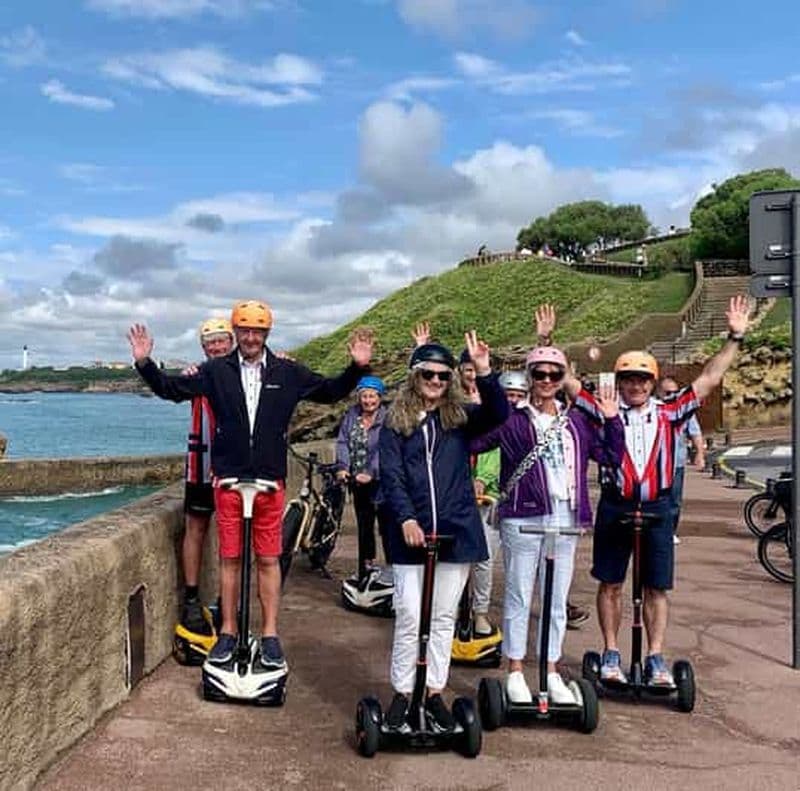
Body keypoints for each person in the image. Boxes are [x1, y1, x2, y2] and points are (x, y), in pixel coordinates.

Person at [127, 302, 374, 670]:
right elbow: (172, 389)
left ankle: (270, 635)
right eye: (244, 330)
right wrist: (145, 363)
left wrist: (357, 368)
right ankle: (227, 632)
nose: (251, 337)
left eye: (257, 331)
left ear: (266, 334)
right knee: (230, 559)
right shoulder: (216, 371)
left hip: (269, 482)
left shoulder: (286, 371)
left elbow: (328, 391)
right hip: (229, 480)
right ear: (236, 332)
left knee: (269, 559)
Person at [594, 296, 750, 687]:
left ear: (652, 382)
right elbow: (562, 382)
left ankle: (655, 656)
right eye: (628, 379)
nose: (635, 385)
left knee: (657, 586)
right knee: (610, 582)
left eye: (642, 379)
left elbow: (709, 378)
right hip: (616, 504)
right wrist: (546, 342)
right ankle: (610, 652)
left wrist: (734, 337)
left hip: (658, 506)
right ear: (619, 382)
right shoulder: (605, 410)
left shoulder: (669, 411)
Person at [471, 342, 623, 705]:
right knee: (519, 595)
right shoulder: (512, 419)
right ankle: (515, 670)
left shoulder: (577, 421)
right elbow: (473, 442)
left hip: (565, 515)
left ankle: (551, 669)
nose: (547, 380)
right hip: (523, 515)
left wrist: (613, 420)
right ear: (529, 377)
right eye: (539, 373)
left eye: (555, 374)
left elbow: (611, 457)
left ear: (562, 378)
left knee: (555, 600)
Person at [379, 333, 509, 731]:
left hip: (455, 533)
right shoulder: (395, 423)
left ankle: (434, 691)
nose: (435, 381)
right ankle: (404, 693)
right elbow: (392, 475)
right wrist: (406, 518)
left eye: (442, 375)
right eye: (428, 374)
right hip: (409, 535)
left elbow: (499, 414)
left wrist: (484, 372)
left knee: (442, 617)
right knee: (408, 614)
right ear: (414, 376)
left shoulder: (458, 418)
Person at [179, 317, 234, 634]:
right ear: (203, 348)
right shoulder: (197, 375)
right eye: (210, 342)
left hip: (233, 468)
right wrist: (145, 363)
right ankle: (191, 598)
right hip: (201, 464)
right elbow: (170, 388)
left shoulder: (245, 373)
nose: (216, 346)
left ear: (231, 342)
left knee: (232, 535)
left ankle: (227, 601)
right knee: (195, 528)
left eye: (221, 340)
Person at [335, 375, 391, 582]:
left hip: (383, 480)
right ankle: (365, 567)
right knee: (364, 525)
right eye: (364, 396)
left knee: (387, 525)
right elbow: (342, 442)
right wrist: (343, 467)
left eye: (372, 396)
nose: (368, 401)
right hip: (357, 480)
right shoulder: (351, 416)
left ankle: (393, 568)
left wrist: (371, 472)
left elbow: (386, 447)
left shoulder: (388, 418)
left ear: (380, 397)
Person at [657, 376, 705, 546]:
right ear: (659, 392)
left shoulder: (683, 410)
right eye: (667, 392)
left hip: (676, 463)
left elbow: (695, 433)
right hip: (655, 465)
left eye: (675, 392)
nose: (672, 395)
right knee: (654, 499)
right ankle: (655, 532)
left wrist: (700, 454)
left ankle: (670, 531)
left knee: (674, 500)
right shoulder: (652, 408)